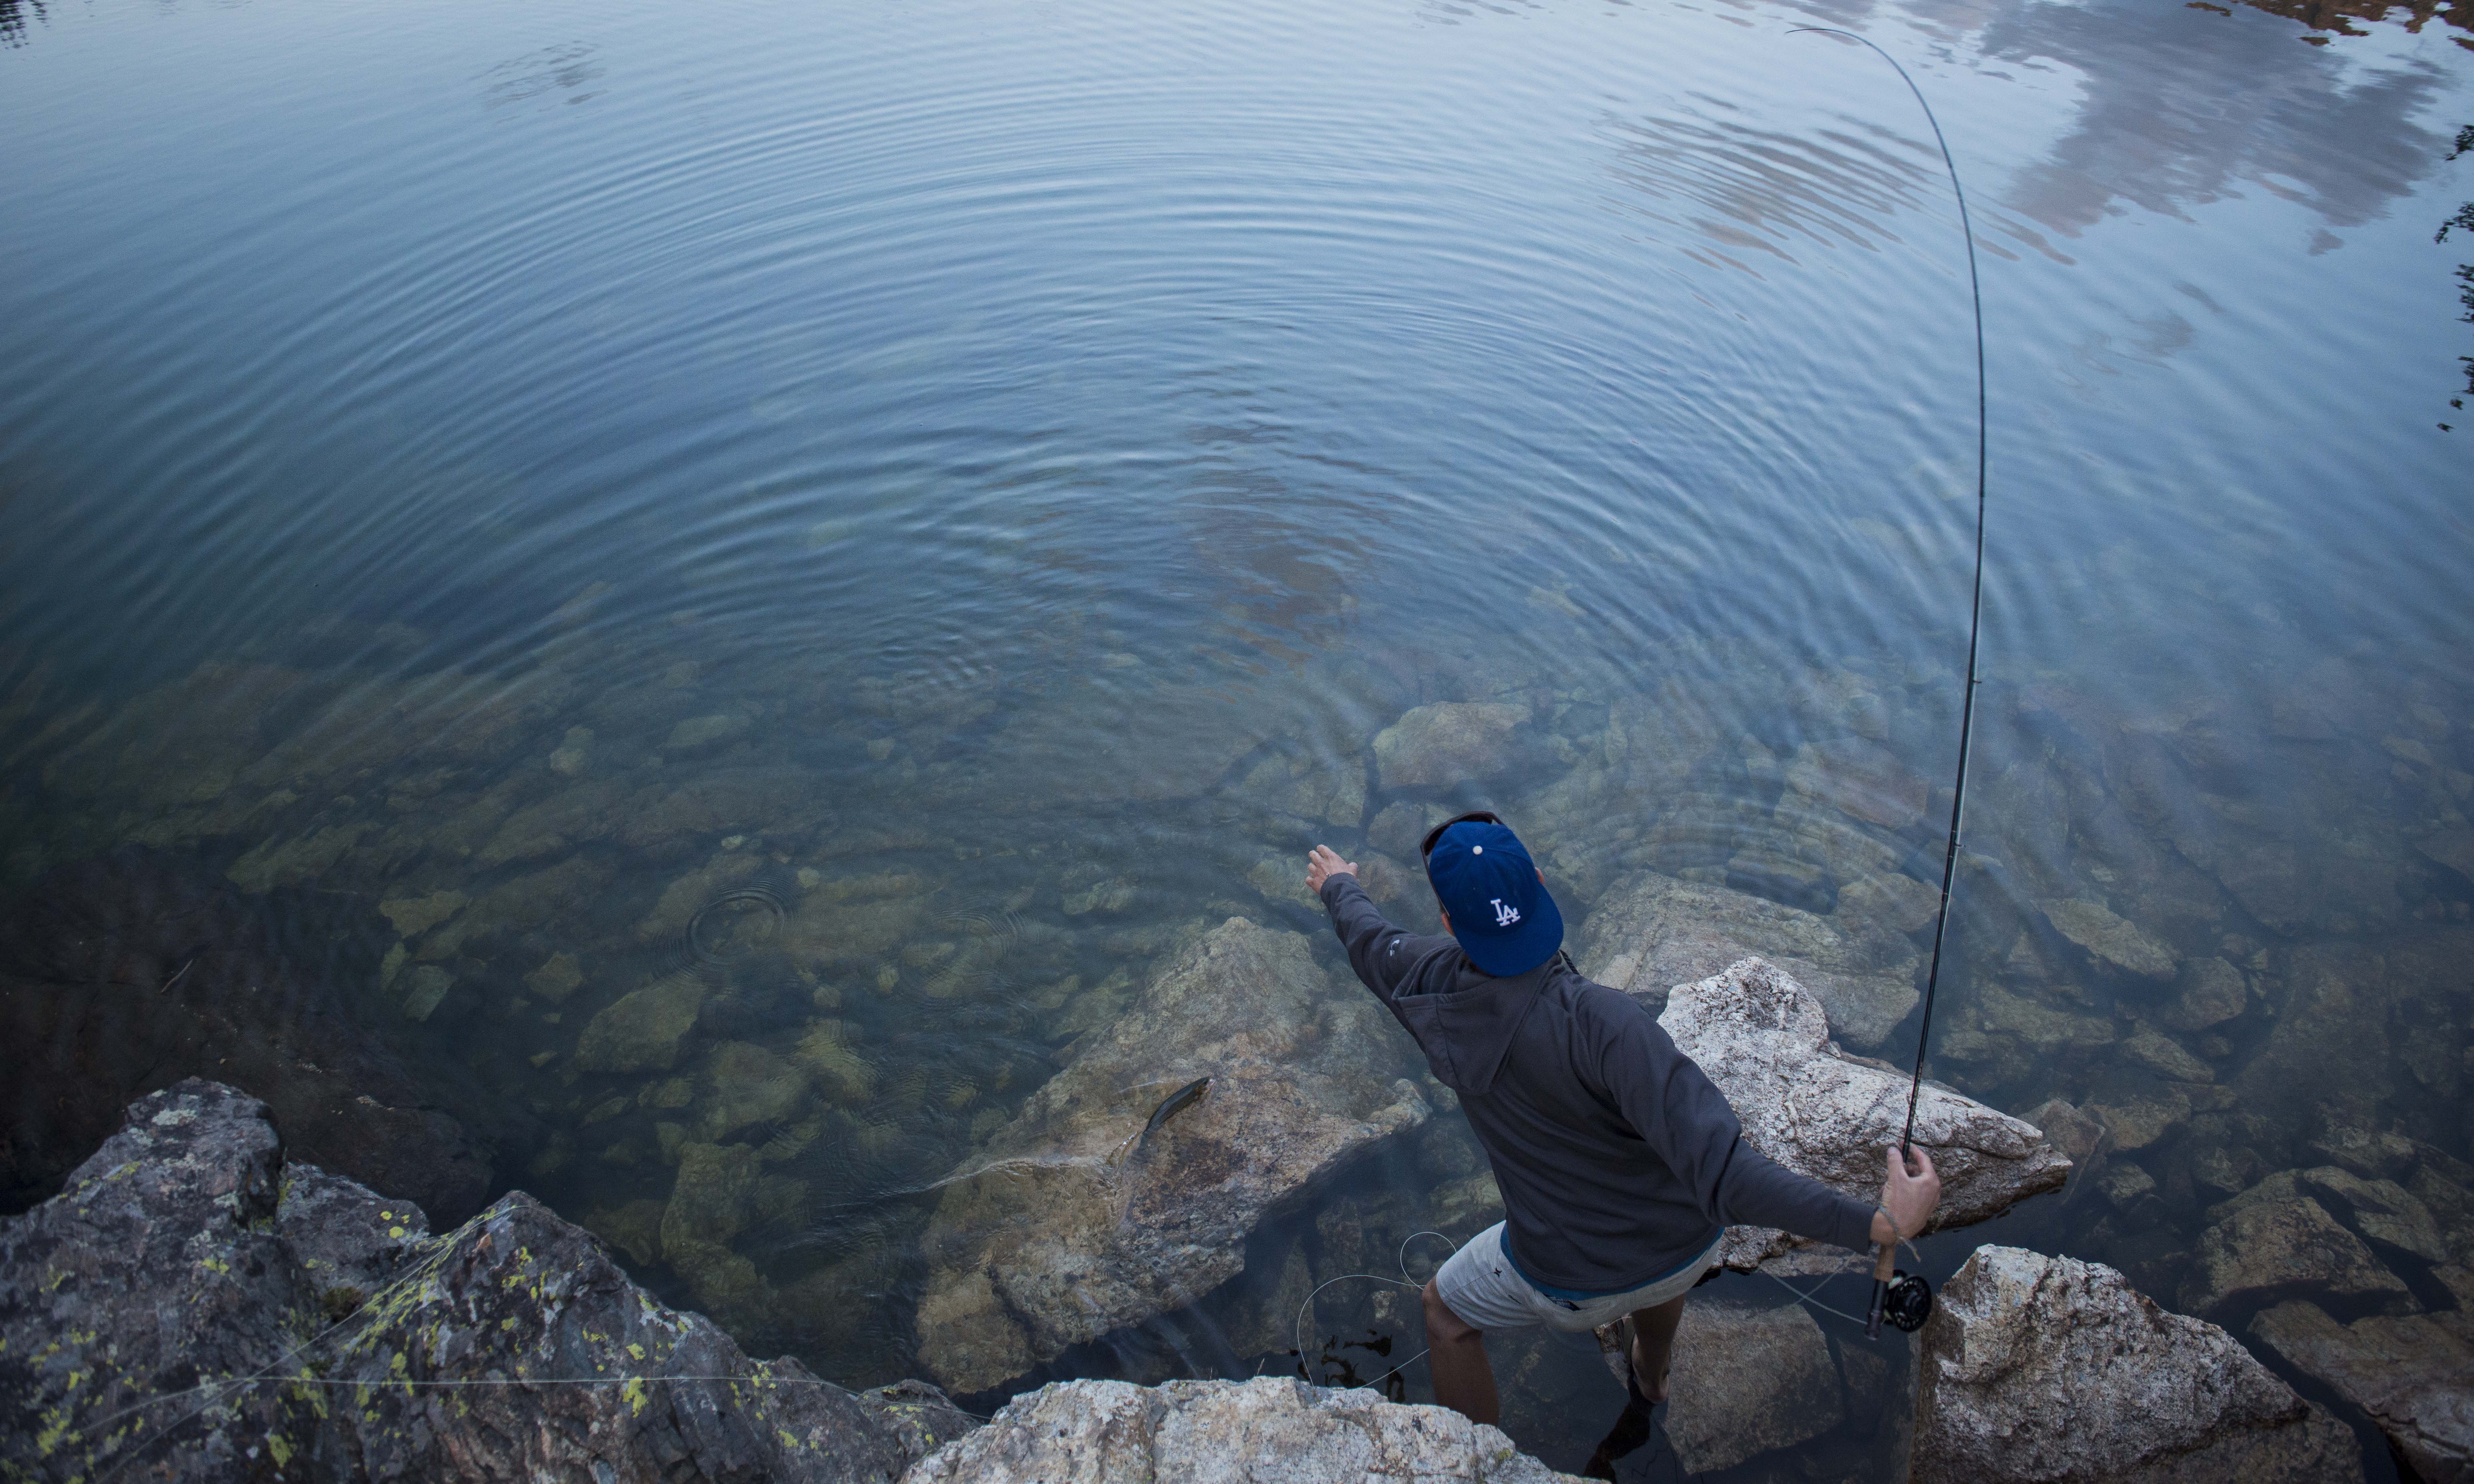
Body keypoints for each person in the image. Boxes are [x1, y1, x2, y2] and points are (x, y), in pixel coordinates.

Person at [1304, 813, 1940, 1426]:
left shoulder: (1424, 982)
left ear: (1447, 922)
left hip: (1566, 1287)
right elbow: (1728, 1177)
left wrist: (1339, 885)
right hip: (1686, 1252)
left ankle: (1469, 1457)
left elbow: (1369, 941)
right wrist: (1878, 1225)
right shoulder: (1607, 1022)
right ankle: (1652, 1374)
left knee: (1444, 1311)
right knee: (1663, 1267)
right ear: (1543, 886)